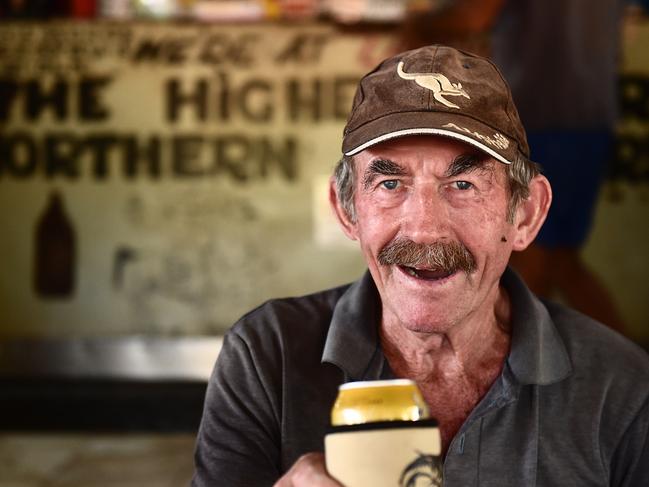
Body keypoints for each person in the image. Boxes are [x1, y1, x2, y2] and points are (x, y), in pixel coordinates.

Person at [192, 45, 649, 486]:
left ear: (526, 214)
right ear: (348, 209)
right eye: (390, 183)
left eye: (464, 184)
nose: (424, 229)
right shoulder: (267, 357)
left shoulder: (622, 387)